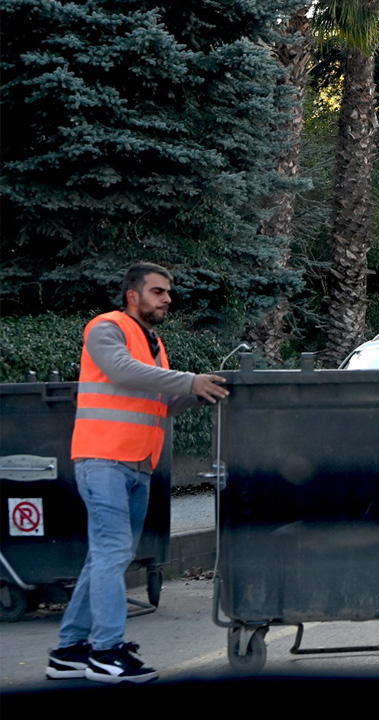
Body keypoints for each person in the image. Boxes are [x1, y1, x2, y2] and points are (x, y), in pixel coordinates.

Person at [47, 263, 229, 684]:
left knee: (106, 557)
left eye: (168, 292)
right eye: (158, 291)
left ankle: (69, 651)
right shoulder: (106, 328)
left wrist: (206, 392)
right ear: (133, 296)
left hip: (138, 464)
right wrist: (188, 380)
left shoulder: (154, 344)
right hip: (103, 460)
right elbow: (122, 371)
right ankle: (106, 653)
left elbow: (161, 403)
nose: (167, 298)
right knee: (111, 554)